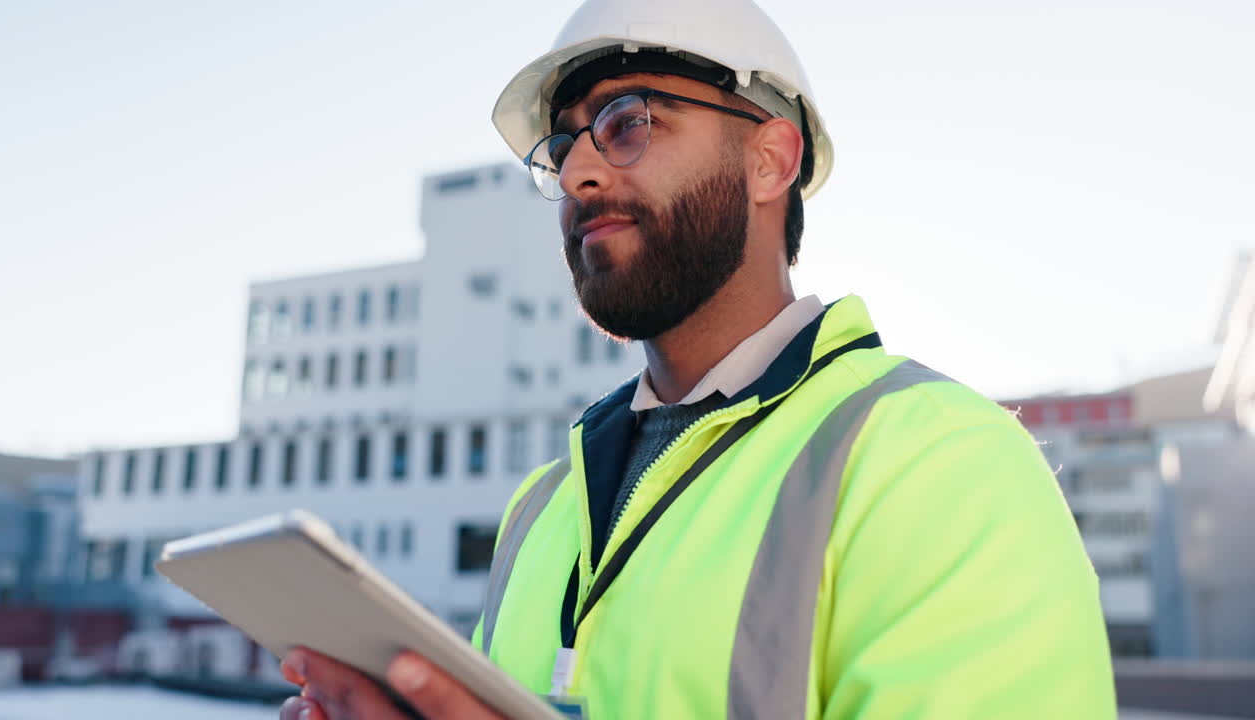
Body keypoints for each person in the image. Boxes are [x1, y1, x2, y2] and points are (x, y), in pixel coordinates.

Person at [279, 0, 1117, 717]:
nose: (578, 174)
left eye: (627, 122)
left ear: (770, 159)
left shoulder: (941, 463)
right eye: (563, 147)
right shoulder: (541, 508)